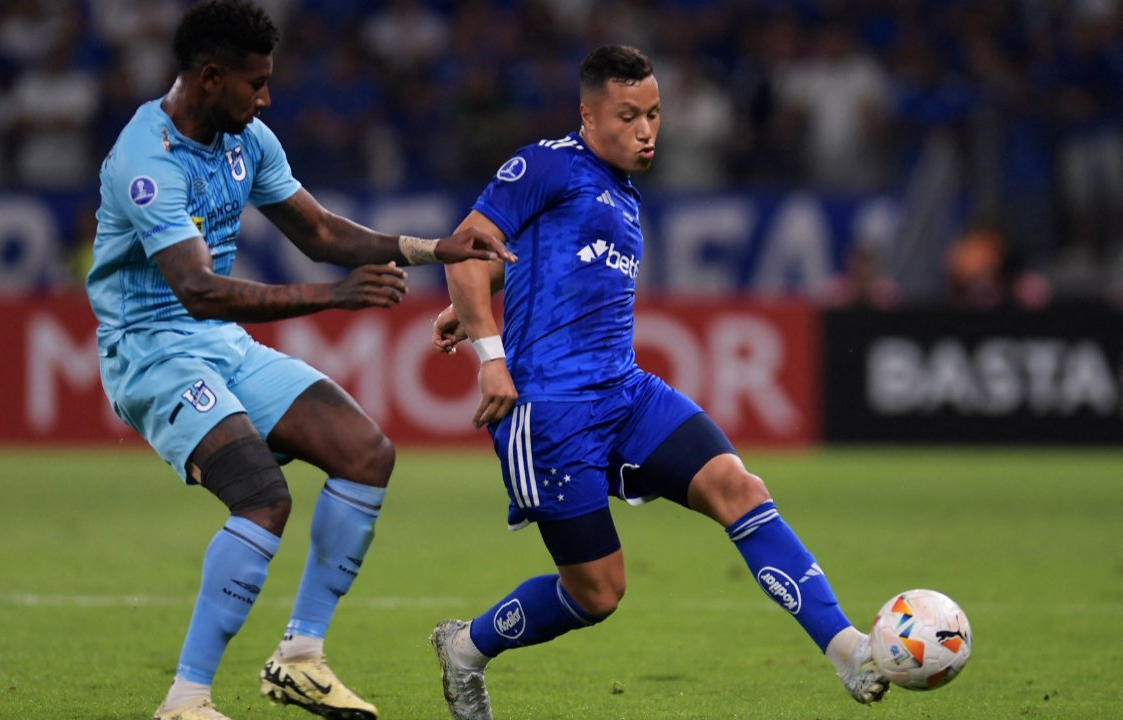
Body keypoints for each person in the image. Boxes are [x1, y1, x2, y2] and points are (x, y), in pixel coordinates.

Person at [427, 44, 888, 720]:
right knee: (598, 594)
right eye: (628, 116)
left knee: (739, 486)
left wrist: (483, 292)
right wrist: (489, 352)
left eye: (654, 114)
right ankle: (466, 648)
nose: (646, 130)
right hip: (550, 412)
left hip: (625, 392)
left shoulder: (619, 190)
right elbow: (467, 246)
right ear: (588, 115)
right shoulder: (546, 164)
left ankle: (845, 647)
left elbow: (525, 255)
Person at [85, 3, 515, 720]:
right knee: (262, 495)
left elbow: (319, 230)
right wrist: (332, 297)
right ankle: (185, 701)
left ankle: (300, 659)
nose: (266, 99)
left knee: (365, 453)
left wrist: (433, 249)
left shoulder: (245, 139)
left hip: (216, 346)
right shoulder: (146, 158)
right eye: (254, 84)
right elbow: (196, 289)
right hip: (149, 351)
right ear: (210, 76)